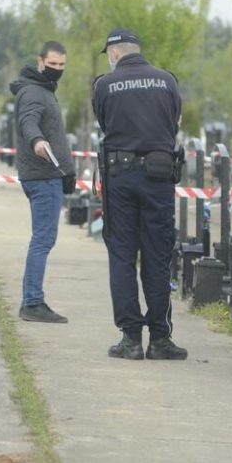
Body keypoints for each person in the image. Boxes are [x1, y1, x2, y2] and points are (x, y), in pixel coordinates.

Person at [92, 28, 187, 360]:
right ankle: (160, 338)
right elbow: (173, 122)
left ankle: (131, 339)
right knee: (157, 256)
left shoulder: (104, 85)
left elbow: (104, 123)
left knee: (121, 255)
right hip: (159, 178)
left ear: (114, 53)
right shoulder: (167, 81)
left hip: (120, 178)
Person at [10, 40, 75, 323]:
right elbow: (28, 122)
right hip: (42, 176)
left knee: (43, 239)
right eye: (52, 65)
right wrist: (37, 141)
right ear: (40, 61)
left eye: (61, 65)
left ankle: (32, 300)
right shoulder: (35, 93)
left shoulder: (41, 89)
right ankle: (33, 302)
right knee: (43, 239)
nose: (57, 70)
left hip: (47, 175)